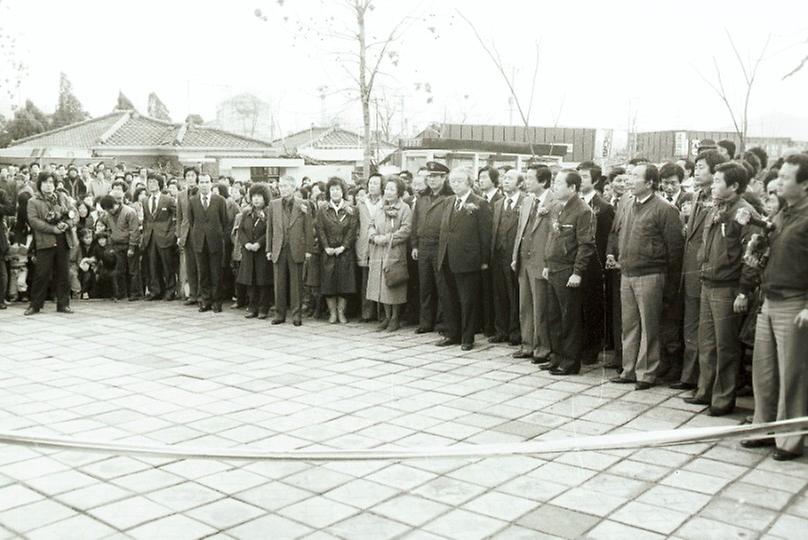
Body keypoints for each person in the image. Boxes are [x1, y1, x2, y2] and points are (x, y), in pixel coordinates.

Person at [742, 153, 808, 461]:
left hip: (795, 304)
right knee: (765, 371)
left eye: (785, 178)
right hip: (769, 300)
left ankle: (789, 440)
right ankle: (764, 429)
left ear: (805, 185)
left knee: (792, 374)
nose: (777, 182)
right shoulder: (785, 212)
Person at [684, 161, 759, 416]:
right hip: (708, 283)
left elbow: (752, 255)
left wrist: (744, 291)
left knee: (726, 346)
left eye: (718, 181)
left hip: (727, 287)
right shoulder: (717, 207)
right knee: (707, 343)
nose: (713, 185)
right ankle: (705, 390)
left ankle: (723, 398)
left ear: (735, 185)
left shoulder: (744, 213)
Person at [607, 163, 684, 390]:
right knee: (629, 325)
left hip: (651, 274)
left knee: (650, 326)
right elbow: (618, 233)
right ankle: (628, 369)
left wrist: (670, 284)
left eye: (635, 176)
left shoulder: (665, 209)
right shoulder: (627, 203)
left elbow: (675, 249)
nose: (629, 179)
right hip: (627, 273)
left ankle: (647, 373)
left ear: (650, 183)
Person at [672, 150, 728, 390]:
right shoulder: (695, 197)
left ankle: (700, 380)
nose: (697, 170)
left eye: (702, 166)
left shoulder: (719, 202)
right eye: (696, 166)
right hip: (690, 271)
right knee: (690, 327)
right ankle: (689, 376)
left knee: (704, 332)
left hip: (706, 272)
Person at [540, 169, 596, 375]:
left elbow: (586, 245)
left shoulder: (583, 211)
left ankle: (570, 361)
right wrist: (546, 264)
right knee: (553, 316)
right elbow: (552, 238)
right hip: (553, 268)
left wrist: (577, 272)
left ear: (573, 188)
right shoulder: (556, 208)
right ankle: (556, 356)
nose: (555, 186)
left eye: (559, 183)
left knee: (569, 318)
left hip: (568, 270)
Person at [436, 167, 492, 351]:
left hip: (469, 259)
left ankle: (467, 337)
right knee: (449, 298)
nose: (455, 184)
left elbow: (485, 234)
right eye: (452, 181)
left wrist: (484, 259)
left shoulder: (479, 203)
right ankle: (453, 333)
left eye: (459, 181)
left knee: (467, 300)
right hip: (447, 257)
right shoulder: (448, 202)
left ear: (469, 182)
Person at [512, 165, 555, 362]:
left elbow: (554, 235)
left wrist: (548, 262)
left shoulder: (554, 202)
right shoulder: (528, 201)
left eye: (530, 178)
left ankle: (542, 348)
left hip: (541, 261)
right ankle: (527, 344)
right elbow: (520, 231)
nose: (526, 182)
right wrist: (515, 256)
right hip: (524, 259)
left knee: (540, 307)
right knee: (525, 305)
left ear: (543, 181)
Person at [576, 160, 615, 364]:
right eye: (578, 176)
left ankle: (591, 348)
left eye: (584, 177)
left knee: (592, 307)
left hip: (594, 266)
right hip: (576, 263)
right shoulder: (575, 202)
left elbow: (606, 239)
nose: (580, 181)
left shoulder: (603, 207)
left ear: (596, 180)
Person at [24, 172, 77, 315]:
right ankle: (35, 305)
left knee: (63, 274)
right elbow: (34, 221)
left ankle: (63, 304)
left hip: (63, 240)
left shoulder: (62, 197)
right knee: (41, 274)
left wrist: (67, 224)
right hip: (44, 242)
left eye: (52, 182)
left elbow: (74, 214)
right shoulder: (33, 201)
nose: (49, 185)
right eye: (46, 182)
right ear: (40, 184)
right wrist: (53, 229)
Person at [266, 175, 313, 326]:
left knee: (296, 284)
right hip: (279, 248)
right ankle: (279, 314)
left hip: (296, 248)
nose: (283, 189)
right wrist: (269, 249)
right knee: (279, 283)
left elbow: (308, 228)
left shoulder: (303, 204)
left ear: (293, 188)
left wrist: (308, 250)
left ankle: (296, 315)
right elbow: (270, 229)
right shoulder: (274, 204)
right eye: (281, 186)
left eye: (286, 186)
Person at [367, 176, 412, 331]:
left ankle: (395, 318)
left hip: (395, 250)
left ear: (399, 191)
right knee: (381, 285)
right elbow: (371, 224)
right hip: (379, 251)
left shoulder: (405, 208)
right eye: (386, 188)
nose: (388, 192)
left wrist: (387, 239)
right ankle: (386, 316)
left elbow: (406, 230)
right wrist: (373, 236)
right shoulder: (380, 206)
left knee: (393, 283)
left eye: (392, 189)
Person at [411, 161, 451, 333]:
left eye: (435, 177)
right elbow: (415, 224)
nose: (432, 180)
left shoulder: (449, 198)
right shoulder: (422, 198)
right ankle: (426, 322)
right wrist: (415, 245)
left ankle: (443, 322)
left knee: (442, 286)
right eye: (429, 177)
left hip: (440, 246)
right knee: (425, 286)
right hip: (423, 245)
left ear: (444, 178)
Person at [489, 168, 526, 345]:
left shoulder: (526, 202)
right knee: (499, 294)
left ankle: (515, 331)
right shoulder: (498, 204)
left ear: (520, 183)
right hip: (498, 255)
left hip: (514, 256)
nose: (505, 181)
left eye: (510, 178)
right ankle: (500, 330)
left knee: (514, 294)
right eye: (504, 178)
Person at [318, 177, 358, 323]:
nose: (335, 192)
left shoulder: (351, 209)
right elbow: (320, 229)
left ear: (343, 191)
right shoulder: (323, 209)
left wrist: (343, 246)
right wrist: (326, 247)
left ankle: (341, 312)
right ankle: (332, 313)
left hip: (345, 251)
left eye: (338, 189)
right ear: (329, 192)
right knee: (329, 283)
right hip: (328, 251)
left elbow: (352, 230)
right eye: (332, 189)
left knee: (344, 284)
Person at [188, 173, 228, 313]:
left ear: (211, 183)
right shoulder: (192, 201)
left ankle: (217, 301)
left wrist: (218, 235)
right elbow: (192, 221)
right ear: (198, 184)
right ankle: (205, 300)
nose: (204, 185)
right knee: (203, 272)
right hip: (199, 242)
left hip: (215, 241)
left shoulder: (220, 200)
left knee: (216, 273)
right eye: (202, 182)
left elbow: (224, 222)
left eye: (207, 182)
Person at [237, 184, 272, 319]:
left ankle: (264, 308)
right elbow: (241, 230)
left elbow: (270, 231)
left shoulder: (269, 213)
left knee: (263, 281)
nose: (256, 199)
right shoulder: (246, 212)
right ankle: (252, 307)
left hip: (262, 251)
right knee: (250, 280)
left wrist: (259, 243)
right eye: (254, 196)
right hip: (248, 251)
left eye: (259, 196)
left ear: (265, 198)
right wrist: (246, 243)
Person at [99, 194, 142, 301]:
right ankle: (122, 293)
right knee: (119, 271)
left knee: (133, 271)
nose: (110, 211)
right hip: (117, 245)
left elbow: (134, 231)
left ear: (116, 204)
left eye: (111, 208)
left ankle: (135, 293)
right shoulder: (108, 214)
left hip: (129, 244)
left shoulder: (129, 212)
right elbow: (109, 228)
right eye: (107, 210)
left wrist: (132, 247)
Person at [142, 173, 177, 301]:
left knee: (167, 265)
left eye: (154, 182)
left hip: (165, 236)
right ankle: (155, 290)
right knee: (152, 265)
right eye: (149, 182)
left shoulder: (168, 200)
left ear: (160, 184)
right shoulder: (145, 200)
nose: (151, 184)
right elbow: (146, 220)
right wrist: (145, 235)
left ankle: (170, 291)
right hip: (150, 238)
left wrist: (172, 233)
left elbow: (177, 217)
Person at [476, 166, 501, 338]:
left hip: (494, 252)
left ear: (494, 180)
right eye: (479, 177)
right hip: (478, 251)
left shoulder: (499, 200)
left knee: (492, 291)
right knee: (480, 289)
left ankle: (491, 326)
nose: (481, 180)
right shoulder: (478, 200)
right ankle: (482, 323)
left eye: (485, 177)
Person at [356, 173, 384, 322]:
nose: (372, 186)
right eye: (370, 183)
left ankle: (381, 314)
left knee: (380, 279)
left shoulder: (385, 202)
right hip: (364, 244)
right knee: (365, 280)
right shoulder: (361, 203)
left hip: (379, 243)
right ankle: (366, 313)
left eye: (375, 183)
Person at [176, 167, 199, 304]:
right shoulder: (181, 195)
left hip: (199, 232)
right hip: (186, 233)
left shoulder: (201, 192)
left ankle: (202, 294)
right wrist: (179, 234)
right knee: (189, 265)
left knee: (200, 264)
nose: (190, 178)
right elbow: (179, 217)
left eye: (192, 175)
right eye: (188, 175)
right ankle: (193, 294)